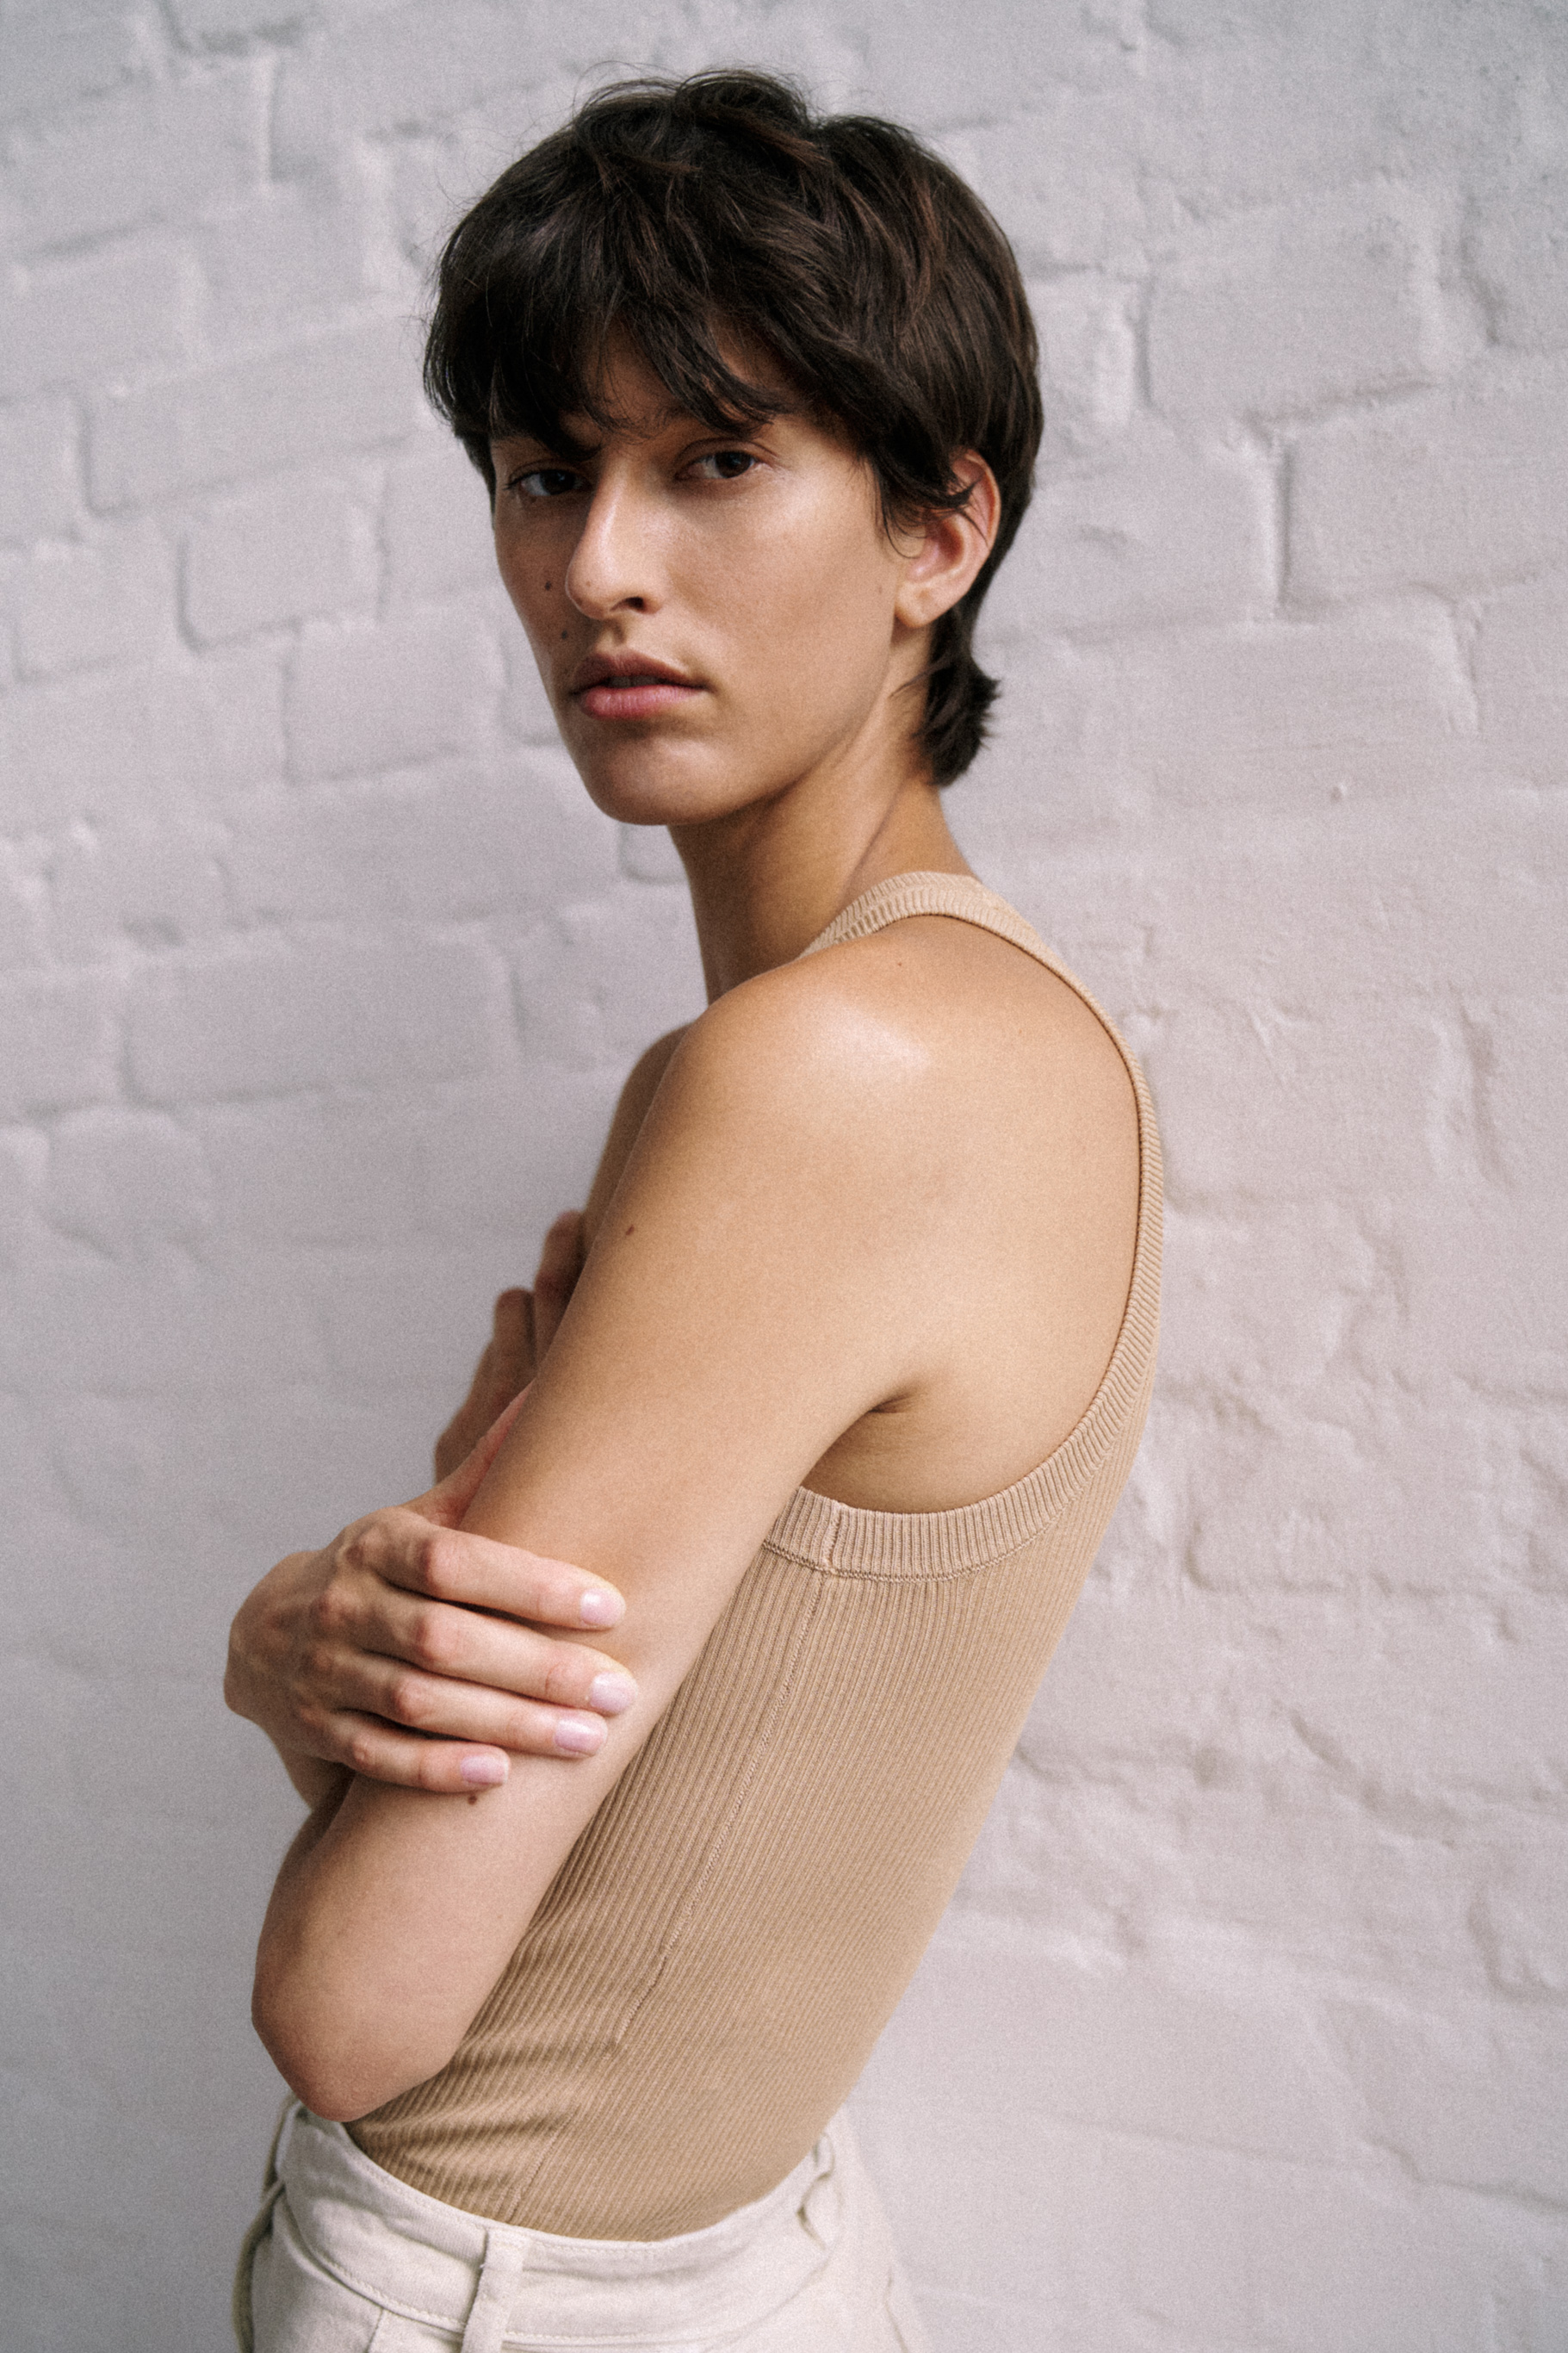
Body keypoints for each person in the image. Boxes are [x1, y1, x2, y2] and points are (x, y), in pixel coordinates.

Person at [225, 67, 1161, 2353]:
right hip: (749, 2252)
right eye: (547, 471)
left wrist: (270, 1637)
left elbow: (350, 2003)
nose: (597, 569)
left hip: (511, 2290)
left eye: (717, 459)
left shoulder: (817, 1076)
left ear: (941, 529)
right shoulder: (1002, 1023)